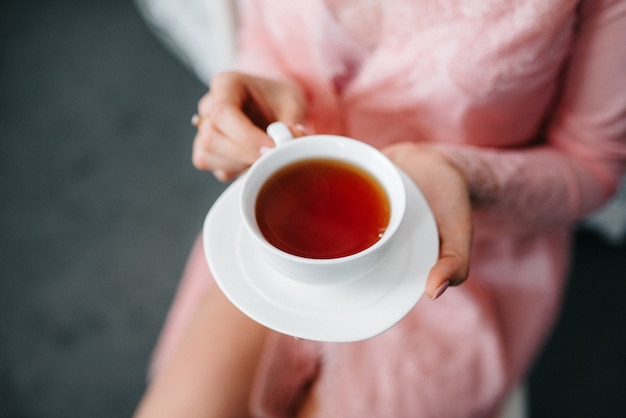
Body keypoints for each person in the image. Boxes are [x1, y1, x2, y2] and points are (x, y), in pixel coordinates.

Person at [135, 1, 626, 417]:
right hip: (283, 234)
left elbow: (593, 164)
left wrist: (468, 178)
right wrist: (257, 93)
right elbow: (266, 27)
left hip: (465, 262)